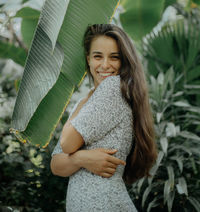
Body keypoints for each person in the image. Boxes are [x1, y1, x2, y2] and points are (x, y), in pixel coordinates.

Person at [50, 24, 157, 211]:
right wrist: (81, 158)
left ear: (124, 61)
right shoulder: (87, 100)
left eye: (114, 57)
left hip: (103, 204)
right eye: (98, 56)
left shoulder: (114, 88)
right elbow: (56, 165)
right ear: (88, 60)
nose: (105, 65)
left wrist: (73, 156)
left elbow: (66, 145)